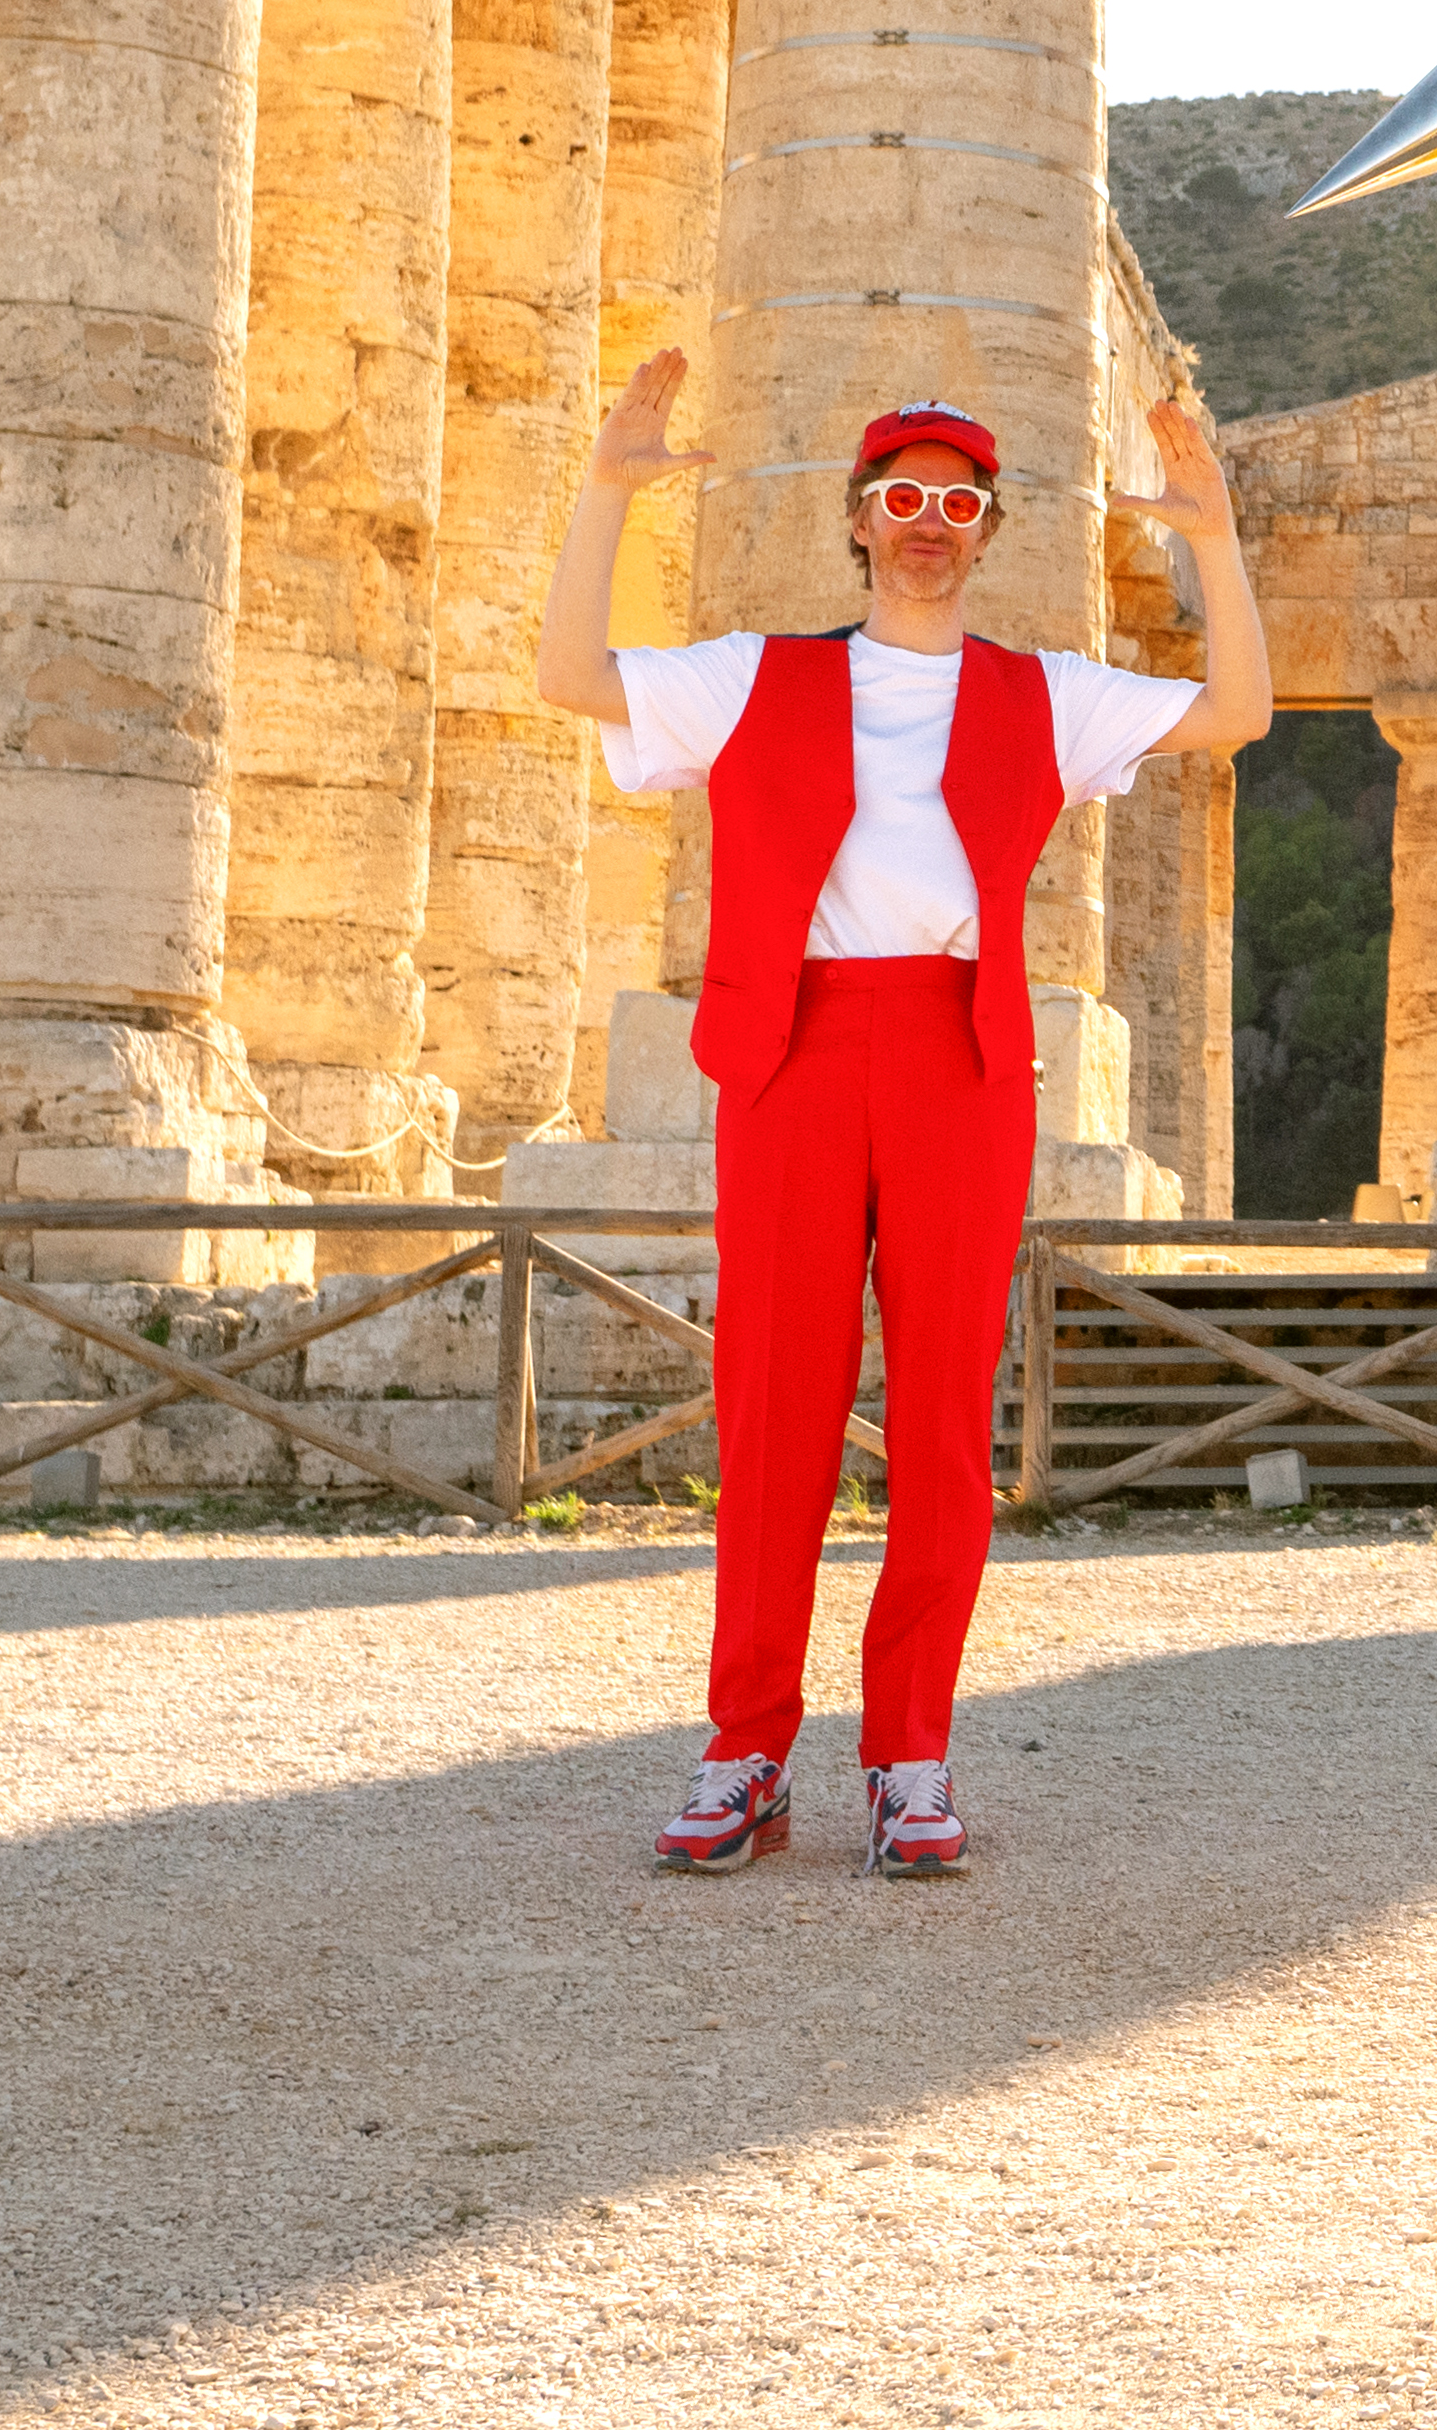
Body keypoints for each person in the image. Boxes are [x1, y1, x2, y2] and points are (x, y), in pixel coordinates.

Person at [540, 355, 1267, 1878]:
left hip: (957, 1050)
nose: (928, 520)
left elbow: (1240, 709)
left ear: (986, 528)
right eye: (900, 497)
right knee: (773, 1406)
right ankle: (744, 1748)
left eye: (956, 500)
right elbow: (572, 677)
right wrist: (606, 490)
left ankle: (912, 1754)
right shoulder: (755, 672)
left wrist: (1209, 534)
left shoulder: (1043, 692)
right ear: (859, 522)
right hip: (793, 1046)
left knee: (942, 1416)